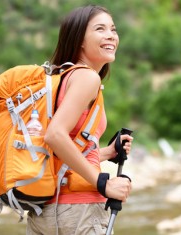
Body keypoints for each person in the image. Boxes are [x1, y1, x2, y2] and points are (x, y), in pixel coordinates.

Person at [26, 5, 133, 235]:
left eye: (113, 29)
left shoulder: (59, 78)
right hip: (80, 211)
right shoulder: (87, 77)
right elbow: (54, 135)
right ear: (80, 39)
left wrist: (106, 153)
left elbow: (60, 148)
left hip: (45, 211)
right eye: (100, 29)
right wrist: (101, 182)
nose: (111, 36)